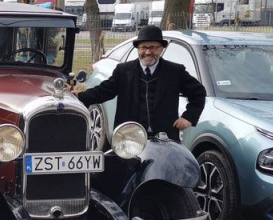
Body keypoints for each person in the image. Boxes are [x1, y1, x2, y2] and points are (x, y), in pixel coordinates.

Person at [76, 24, 206, 141]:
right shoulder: (123, 71)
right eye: (143, 47)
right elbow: (103, 91)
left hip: (165, 140)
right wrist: (77, 97)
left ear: (161, 49)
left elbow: (198, 93)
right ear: (138, 49)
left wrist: (189, 117)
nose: (148, 52)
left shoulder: (175, 72)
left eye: (153, 48)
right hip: (129, 139)